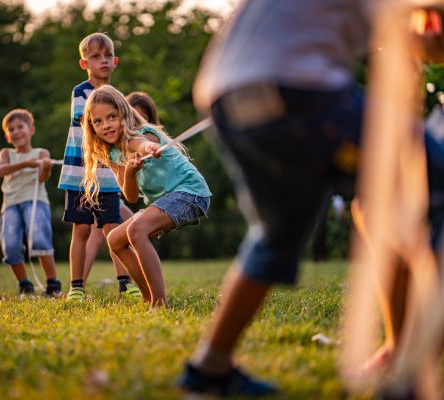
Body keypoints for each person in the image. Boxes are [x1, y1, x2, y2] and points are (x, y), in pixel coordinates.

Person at [177, 0, 444, 397]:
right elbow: (425, 41)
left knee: (277, 234)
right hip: (298, 90)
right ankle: (412, 380)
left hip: (225, 94)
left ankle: (209, 367)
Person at [81, 85, 212, 307]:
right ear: (91, 126)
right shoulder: (111, 151)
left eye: (111, 117)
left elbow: (141, 145)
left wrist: (150, 148)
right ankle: (148, 297)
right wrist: (130, 172)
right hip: (165, 201)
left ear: (123, 113)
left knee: (136, 230)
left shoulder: (142, 134)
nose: (106, 126)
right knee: (115, 239)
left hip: (190, 193)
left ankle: (159, 303)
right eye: (98, 121)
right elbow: (130, 196)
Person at [58, 32, 141, 301]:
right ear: (84, 64)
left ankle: (124, 284)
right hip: (80, 173)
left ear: (115, 61)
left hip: (108, 174)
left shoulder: (118, 98)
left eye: (107, 56)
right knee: (81, 229)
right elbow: (90, 119)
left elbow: (129, 125)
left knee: (112, 229)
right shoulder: (81, 92)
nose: (102, 61)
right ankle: (76, 288)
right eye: (95, 57)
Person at [0, 109, 62, 297]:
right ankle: (25, 285)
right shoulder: (6, 153)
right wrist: (26, 164)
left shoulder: (41, 153)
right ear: (8, 136)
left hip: (35, 201)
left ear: (31, 129)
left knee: (40, 238)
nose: (16, 131)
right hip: (10, 204)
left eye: (20, 127)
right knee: (10, 245)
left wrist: (45, 167)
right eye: (11, 129)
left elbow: (42, 178)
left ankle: (53, 284)